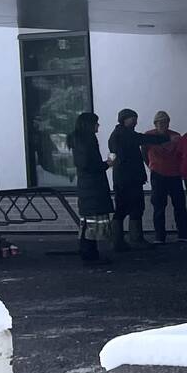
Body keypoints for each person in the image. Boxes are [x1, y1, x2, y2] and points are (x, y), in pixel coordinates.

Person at [106, 108, 171, 250]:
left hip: (122, 179)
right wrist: (165, 138)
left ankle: (118, 240)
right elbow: (143, 139)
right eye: (133, 118)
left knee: (122, 208)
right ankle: (135, 238)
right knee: (135, 207)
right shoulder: (126, 134)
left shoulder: (116, 135)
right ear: (125, 119)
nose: (135, 121)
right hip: (130, 179)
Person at [69, 109, 114, 266]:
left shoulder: (78, 140)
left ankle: (89, 252)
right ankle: (90, 254)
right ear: (89, 125)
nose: (98, 126)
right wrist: (106, 164)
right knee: (92, 221)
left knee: (87, 221)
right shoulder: (87, 140)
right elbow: (90, 164)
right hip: (93, 186)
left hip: (86, 186)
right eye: (96, 123)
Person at [144, 110, 187, 244]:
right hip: (159, 174)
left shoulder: (175, 136)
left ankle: (183, 233)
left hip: (173, 173)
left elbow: (181, 154)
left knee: (179, 205)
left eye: (165, 122)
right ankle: (160, 236)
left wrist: (150, 164)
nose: (163, 124)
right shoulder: (150, 136)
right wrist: (152, 165)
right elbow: (144, 152)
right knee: (159, 206)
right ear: (155, 124)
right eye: (160, 122)